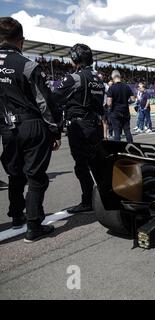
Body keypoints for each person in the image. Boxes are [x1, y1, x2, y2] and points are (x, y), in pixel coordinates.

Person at [0, 17, 62, 241]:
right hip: (31, 125)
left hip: (7, 127)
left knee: (15, 174)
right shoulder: (27, 64)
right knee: (36, 178)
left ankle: (17, 215)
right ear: (22, 40)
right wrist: (55, 130)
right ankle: (34, 226)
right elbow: (45, 101)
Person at [53, 43, 105, 213]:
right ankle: (105, 195)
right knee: (97, 163)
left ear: (75, 58)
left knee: (81, 165)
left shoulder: (74, 78)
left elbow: (54, 99)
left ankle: (88, 201)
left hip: (80, 127)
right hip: (95, 125)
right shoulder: (98, 79)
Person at [107, 70, 135, 143]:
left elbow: (109, 103)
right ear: (120, 77)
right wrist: (126, 103)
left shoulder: (112, 88)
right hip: (125, 111)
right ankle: (131, 146)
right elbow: (133, 99)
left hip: (115, 112)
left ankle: (117, 148)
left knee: (117, 132)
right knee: (127, 130)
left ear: (113, 77)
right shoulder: (127, 87)